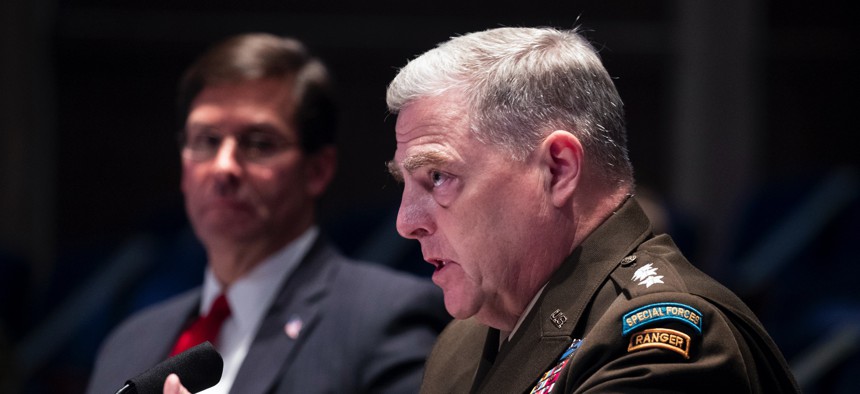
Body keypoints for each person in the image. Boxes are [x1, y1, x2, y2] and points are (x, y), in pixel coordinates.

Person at [384, 27, 800, 393]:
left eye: (438, 176)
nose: (406, 223)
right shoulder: (463, 343)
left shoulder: (661, 342)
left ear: (558, 169)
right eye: (406, 183)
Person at [87, 33, 449, 394]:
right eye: (206, 141)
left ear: (317, 170)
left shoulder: (385, 317)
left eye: (259, 143)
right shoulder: (129, 344)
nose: (223, 166)